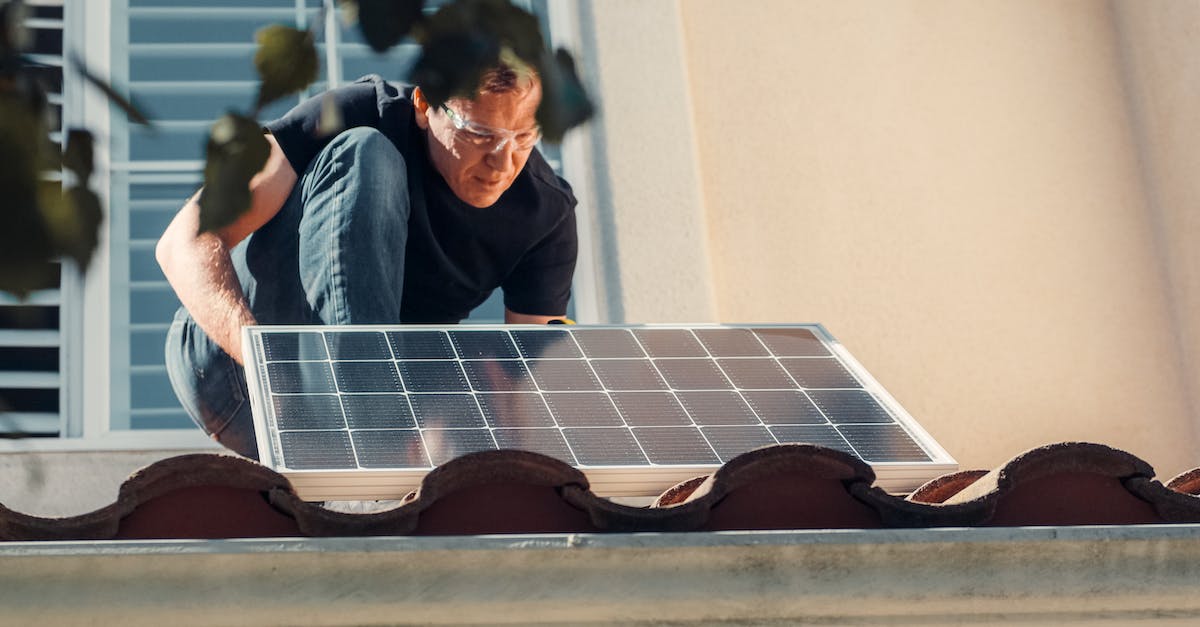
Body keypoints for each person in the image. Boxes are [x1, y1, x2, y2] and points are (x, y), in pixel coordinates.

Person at [156, 66, 578, 460]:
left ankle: (373, 438)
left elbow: (518, 376)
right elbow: (183, 241)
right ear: (423, 106)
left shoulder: (545, 213)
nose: (502, 164)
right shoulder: (355, 110)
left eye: (523, 138)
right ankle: (369, 434)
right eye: (479, 134)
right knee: (366, 152)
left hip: (365, 416)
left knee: (482, 359)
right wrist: (265, 364)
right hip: (238, 379)